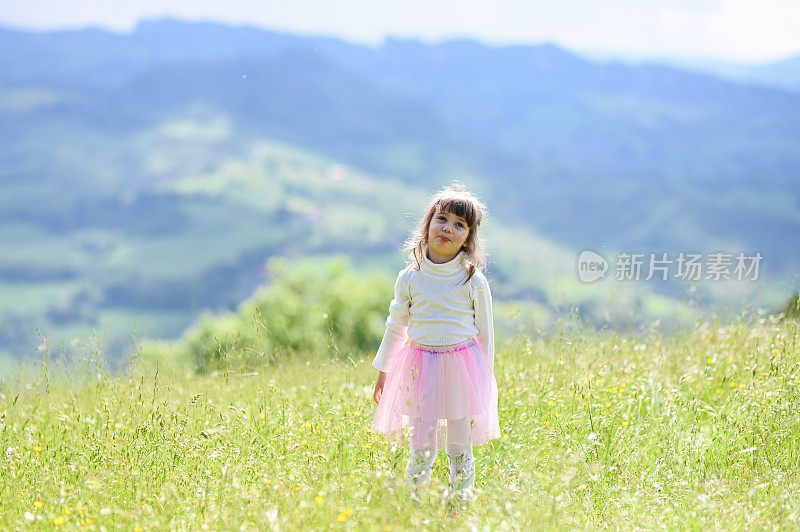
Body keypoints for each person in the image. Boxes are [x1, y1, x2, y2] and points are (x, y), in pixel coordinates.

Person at [371, 182, 500, 503]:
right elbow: (396, 326)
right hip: (420, 367)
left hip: (461, 367)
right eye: (442, 219)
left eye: (460, 225)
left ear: (468, 239)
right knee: (422, 443)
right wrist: (383, 371)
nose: (448, 229)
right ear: (427, 224)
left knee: (459, 442)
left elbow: (486, 332)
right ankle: (414, 501)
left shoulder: (472, 280)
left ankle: (460, 499)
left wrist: (485, 378)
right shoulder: (410, 278)